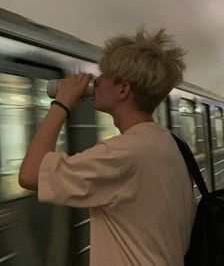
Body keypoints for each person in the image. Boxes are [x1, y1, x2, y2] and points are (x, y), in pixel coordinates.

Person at [19, 29, 195, 266]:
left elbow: (30, 175)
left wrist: (61, 103)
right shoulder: (167, 142)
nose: (96, 81)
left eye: (104, 76)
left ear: (123, 90)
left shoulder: (123, 153)